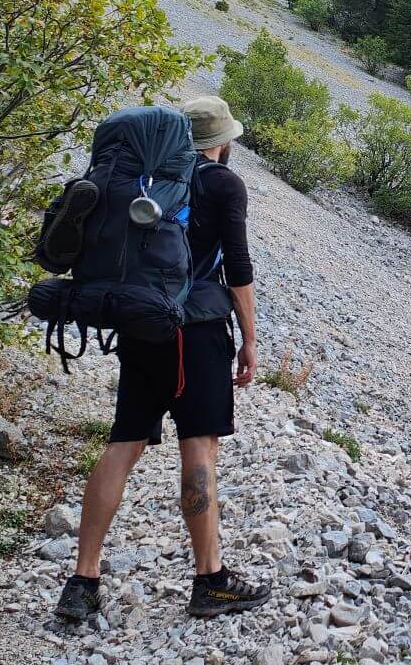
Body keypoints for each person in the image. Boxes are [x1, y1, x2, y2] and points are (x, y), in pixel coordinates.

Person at [55, 95, 271, 622]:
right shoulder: (223, 184)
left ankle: (82, 582)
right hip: (195, 332)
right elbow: (237, 266)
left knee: (123, 443)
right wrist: (249, 338)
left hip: (141, 323)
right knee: (198, 448)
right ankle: (210, 580)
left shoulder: (146, 179)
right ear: (219, 142)